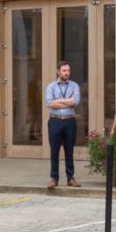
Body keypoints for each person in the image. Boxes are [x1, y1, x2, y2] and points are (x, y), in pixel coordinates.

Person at [45, 60, 81, 188]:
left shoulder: (75, 86)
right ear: (58, 71)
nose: (67, 73)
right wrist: (67, 101)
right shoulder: (51, 86)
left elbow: (75, 102)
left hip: (69, 121)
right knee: (54, 151)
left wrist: (59, 100)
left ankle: (70, 178)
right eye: (64, 70)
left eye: (68, 70)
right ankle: (54, 178)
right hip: (55, 121)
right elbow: (49, 103)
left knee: (69, 150)